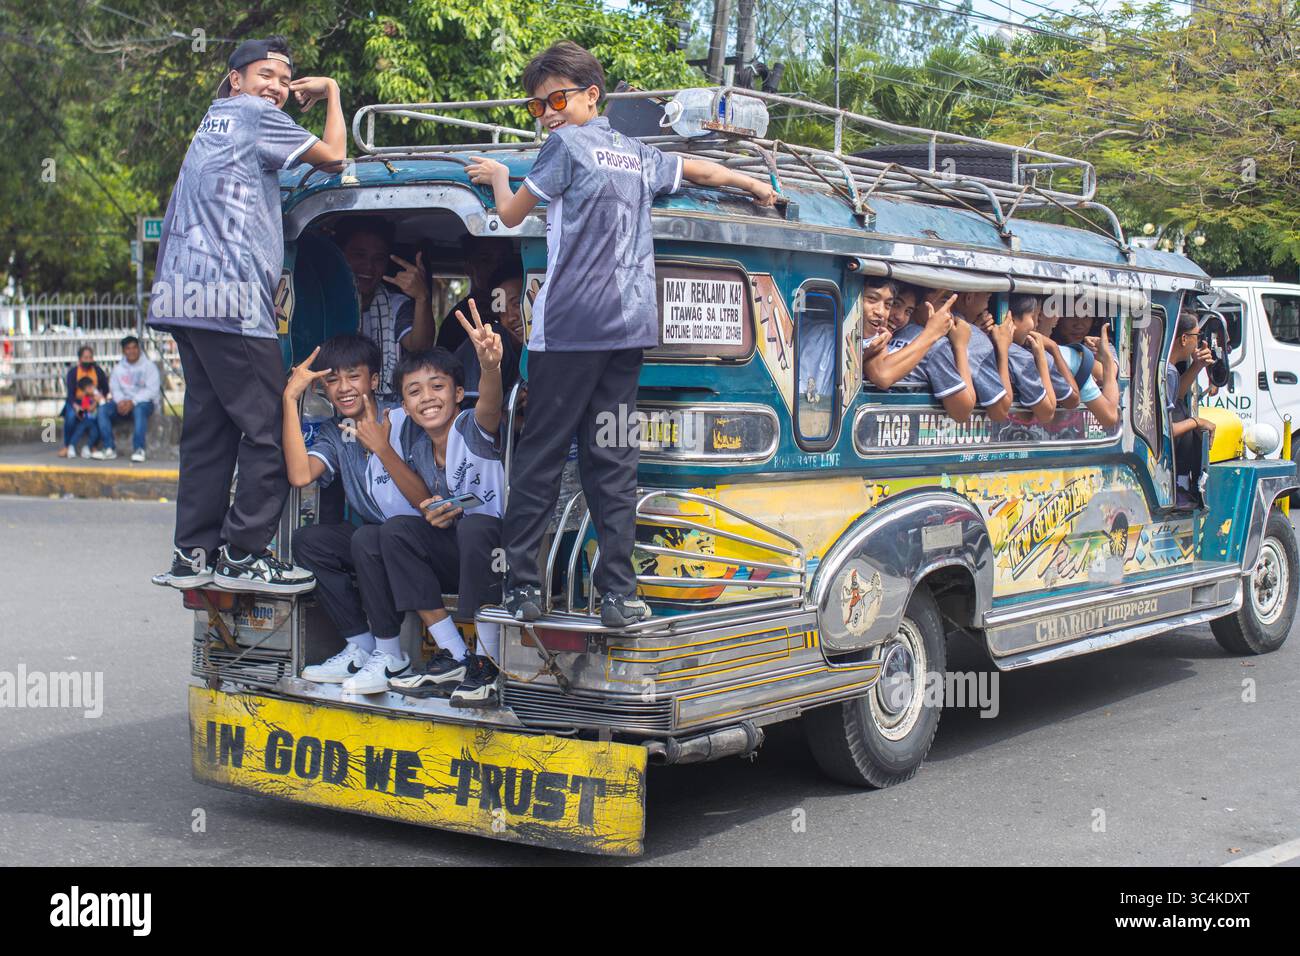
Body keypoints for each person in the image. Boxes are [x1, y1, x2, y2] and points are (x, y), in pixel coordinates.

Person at [466, 41, 776, 627]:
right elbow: (700, 170)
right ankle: (618, 595)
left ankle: (523, 589)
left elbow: (510, 216)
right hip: (628, 334)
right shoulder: (637, 153)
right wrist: (754, 186)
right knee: (612, 462)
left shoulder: (562, 147)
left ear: (591, 96)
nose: (549, 114)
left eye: (557, 99)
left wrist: (502, 175)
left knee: (540, 459)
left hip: (567, 335)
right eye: (538, 107)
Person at [147, 36, 344, 592]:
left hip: (184, 299)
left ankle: (193, 554)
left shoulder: (214, 122)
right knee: (266, 429)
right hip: (231, 302)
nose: (277, 88)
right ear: (235, 79)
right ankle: (243, 553)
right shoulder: (256, 116)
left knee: (208, 432)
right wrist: (330, 93)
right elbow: (335, 158)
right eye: (266, 75)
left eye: (285, 80)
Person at [284, 334, 433, 693]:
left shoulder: (403, 418)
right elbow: (301, 475)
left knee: (371, 535)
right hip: (376, 541)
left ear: (375, 380)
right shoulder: (336, 434)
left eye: (353, 376)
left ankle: (390, 654)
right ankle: (362, 645)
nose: (343, 388)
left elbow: (425, 500)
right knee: (309, 541)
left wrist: (381, 448)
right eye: (332, 380)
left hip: (423, 539)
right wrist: (290, 398)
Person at [384, 302, 508, 707]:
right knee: (396, 531)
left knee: (474, 526)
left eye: (438, 387)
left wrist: (489, 367)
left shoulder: (470, 426)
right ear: (405, 406)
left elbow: (490, 407)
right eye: (414, 392)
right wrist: (434, 512)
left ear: (457, 393)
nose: (427, 399)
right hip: (459, 553)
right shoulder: (418, 448)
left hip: (501, 554)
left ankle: (488, 665)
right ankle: (454, 654)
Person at [335, 217, 435, 394]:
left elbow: (420, 349)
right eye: (359, 255)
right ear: (341, 255)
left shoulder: (396, 306)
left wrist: (422, 297)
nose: (369, 266)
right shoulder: (324, 303)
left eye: (378, 259)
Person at [865, 288, 977, 422]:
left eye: (908, 311)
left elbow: (962, 411)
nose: (899, 316)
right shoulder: (876, 331)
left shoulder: (934, 344)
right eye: (895, 304)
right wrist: (959, 346)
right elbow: (962, 411)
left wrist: (959, 345)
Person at [1039, 305, 1121, 427]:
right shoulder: (1064, 355)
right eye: (1072, 315)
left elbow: (1105, 373)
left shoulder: (1098, 345)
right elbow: (1109, 416)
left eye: (1086, 317)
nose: (1079, 324)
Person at [453, 268, 524, 400]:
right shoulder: (490, 342)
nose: (510, 318)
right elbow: (475, 415)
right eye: (501, 309)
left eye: (517, 304)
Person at [1168, 312, 1216, 502]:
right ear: (1184, 338)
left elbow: (1177, 395)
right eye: (1197, 336)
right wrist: (1196, 421)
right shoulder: (1169, 372)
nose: (1198, 342)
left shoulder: (1168, 370)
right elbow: (1166, 429)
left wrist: (1197, 366)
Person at [436, 237, 514, 354]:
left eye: (503, 259)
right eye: (486, 260)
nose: (497, 266)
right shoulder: (457, 320)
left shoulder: (524, 313)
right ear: (469, 268)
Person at [93, 335, 160, 462]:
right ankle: (109, 449)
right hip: (122, 404)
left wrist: (132, 402)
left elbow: (152, 390)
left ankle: (139, 449)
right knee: (102, 409)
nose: (132, 351)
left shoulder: (149, 366)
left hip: (143, 404)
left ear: (139, 349)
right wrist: (120, 402)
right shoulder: (118, 369)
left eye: (134, 347)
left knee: (139, 409)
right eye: (128, 348)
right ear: (124, 351)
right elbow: (115, 388)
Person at [949, 290, 1011, 420]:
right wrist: (1003, 347)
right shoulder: (979, 342)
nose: (987, 308)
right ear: (969, 297)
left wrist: (974, 327)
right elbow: (1000, 411)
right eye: (988, 299)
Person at [997, 295, 1057, 423]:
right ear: (1010, 318)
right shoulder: (1022, 357)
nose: (1035, 324)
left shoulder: (985, 341)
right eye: (1032, 316)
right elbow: (1047, 412)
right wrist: (1041, 356)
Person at [58, 346, 110, 459]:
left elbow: (105, 390)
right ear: (80, 359)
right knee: (71, 416)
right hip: (76, 403)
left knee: (98, 418)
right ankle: (68, 446)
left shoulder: (98, 371)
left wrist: (96, 403)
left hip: (93, 402)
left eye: (90, 357)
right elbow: (70, 394)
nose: (88, 360)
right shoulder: (73, 373)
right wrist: (76, 407)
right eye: (85, 357)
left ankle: (92, 446)